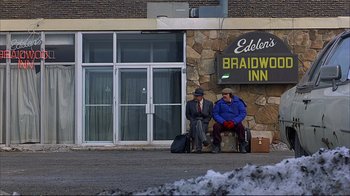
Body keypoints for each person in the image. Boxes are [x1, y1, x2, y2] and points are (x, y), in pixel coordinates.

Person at [212, 88, 247, 153]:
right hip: (223, 123)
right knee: (216, 126)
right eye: (223, 94)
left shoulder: (238, 102)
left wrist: (234, 121)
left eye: (226, 94)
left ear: (230, 95)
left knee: (240, 127)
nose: (224, 96)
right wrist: (223, 121)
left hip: (234, 123)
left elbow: (243, 113)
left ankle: (242, 145)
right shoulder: (219, 103)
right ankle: (216, 145)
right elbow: (215, 113)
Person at [186, 87, 213, 153]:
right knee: (197, 124)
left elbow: (210, 115)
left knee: (199, 125)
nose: (196, 97)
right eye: (195, 96)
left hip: (204, 121)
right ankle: (203, 140)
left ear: (201, 96)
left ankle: (198, 148)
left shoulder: (209, 103)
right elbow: (188, 115)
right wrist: (192, 120)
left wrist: (206, 120)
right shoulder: (190, 103)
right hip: (194, 121)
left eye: (197, 96)